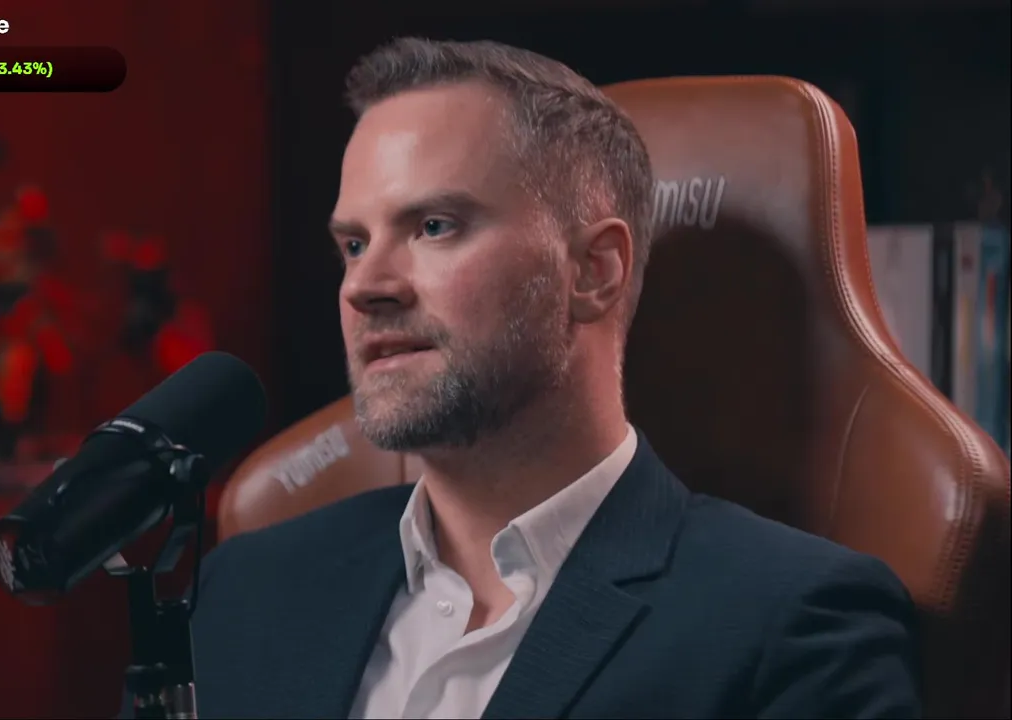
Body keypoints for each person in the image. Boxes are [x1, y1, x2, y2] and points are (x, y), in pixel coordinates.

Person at [125, 38, 922, 719]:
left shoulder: (794, 623)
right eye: (354, 244)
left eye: (434, 226)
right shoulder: (247, 588)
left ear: (593, 271)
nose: (365, 286)